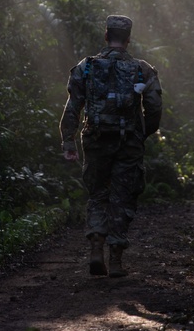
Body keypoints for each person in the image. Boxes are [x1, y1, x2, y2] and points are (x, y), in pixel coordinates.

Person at [59, 15, 163, 277]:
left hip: (95, 140)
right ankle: (115, 260)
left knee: (97, 195)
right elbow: (154, 107)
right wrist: (143, 133)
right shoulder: (143, 69)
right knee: (122, 197)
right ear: (128, 39)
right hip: (128, 142)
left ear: (106, 36)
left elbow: (73, 106)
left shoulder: (86, 67)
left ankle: (96, 248)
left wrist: (68, 140)